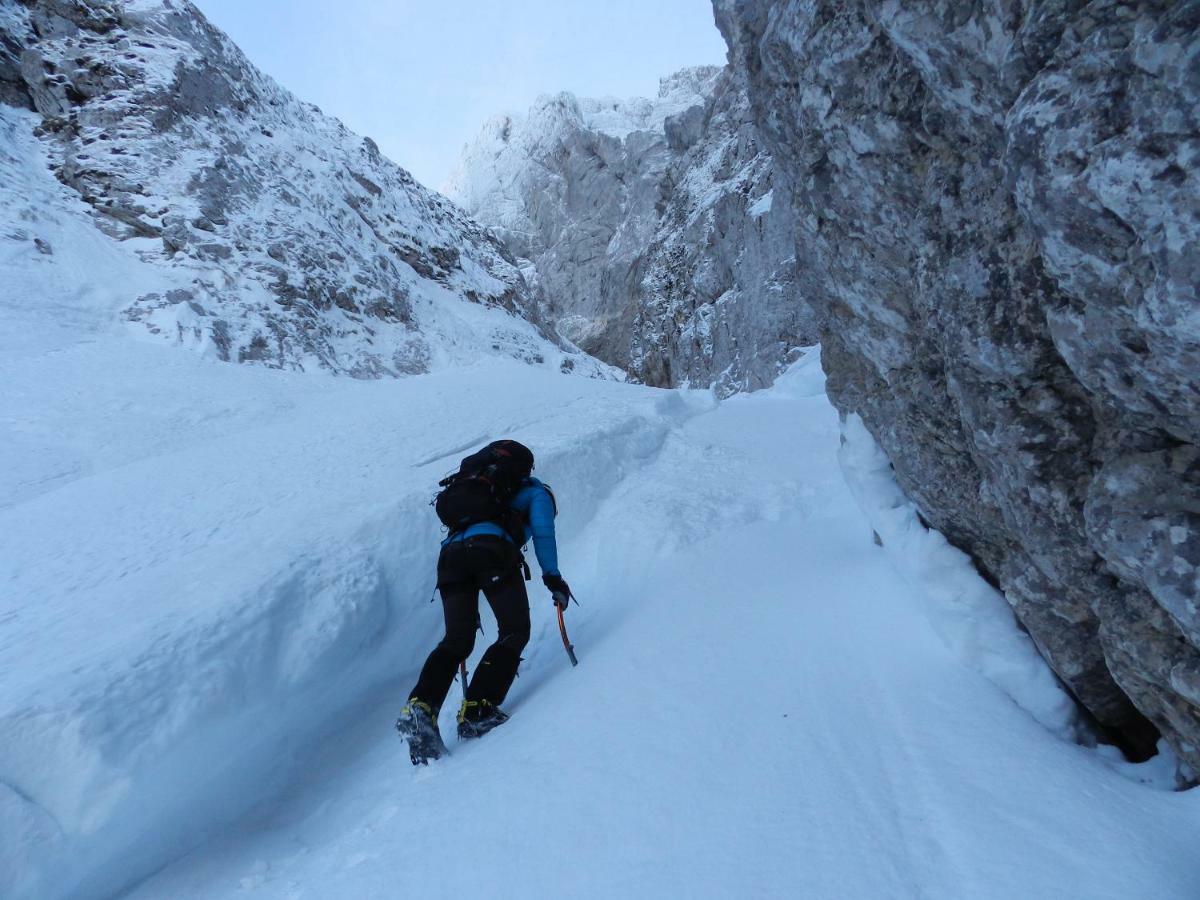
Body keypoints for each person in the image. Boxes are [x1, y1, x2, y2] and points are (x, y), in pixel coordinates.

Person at [396, 439, 571, 764]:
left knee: (456, 640)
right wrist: (553, 578)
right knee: (514, 630)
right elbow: (544, 534)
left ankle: (420, 708)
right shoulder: (535, 492)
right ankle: (478, 708)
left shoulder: (474, 489)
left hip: (450, 557)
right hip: (491, 550)